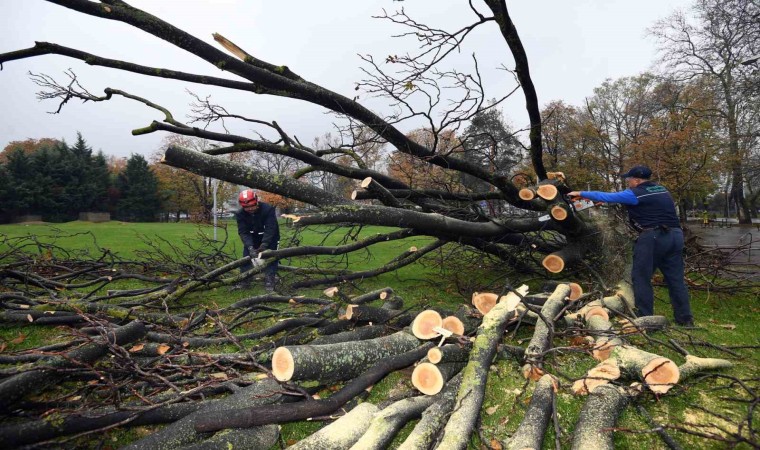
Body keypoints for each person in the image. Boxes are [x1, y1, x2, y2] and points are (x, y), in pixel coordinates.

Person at [568, 165, 694, 326]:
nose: (628, 182)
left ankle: (644, 317)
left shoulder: (636, 193)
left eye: (629, 179)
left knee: (641, 277)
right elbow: (646, 206)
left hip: (653, 237)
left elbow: (609, 196)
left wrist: (581, 193)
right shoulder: (661, 190)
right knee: (675, 279)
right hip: (675, 236)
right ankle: (685, 319)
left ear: (636, 180)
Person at [233, 189, 280, 292]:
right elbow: (243, 232)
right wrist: (250, 246)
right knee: (246, 257)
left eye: (251, 206)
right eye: (246, 207)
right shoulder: (240, 214)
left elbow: (270, 228)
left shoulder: (268, 209)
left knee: (270, 257)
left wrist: (264, 244)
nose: (250, 209)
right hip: (252, 237)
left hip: (270, 237)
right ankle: (245, 280)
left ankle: (270, 279)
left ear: (256, 201)